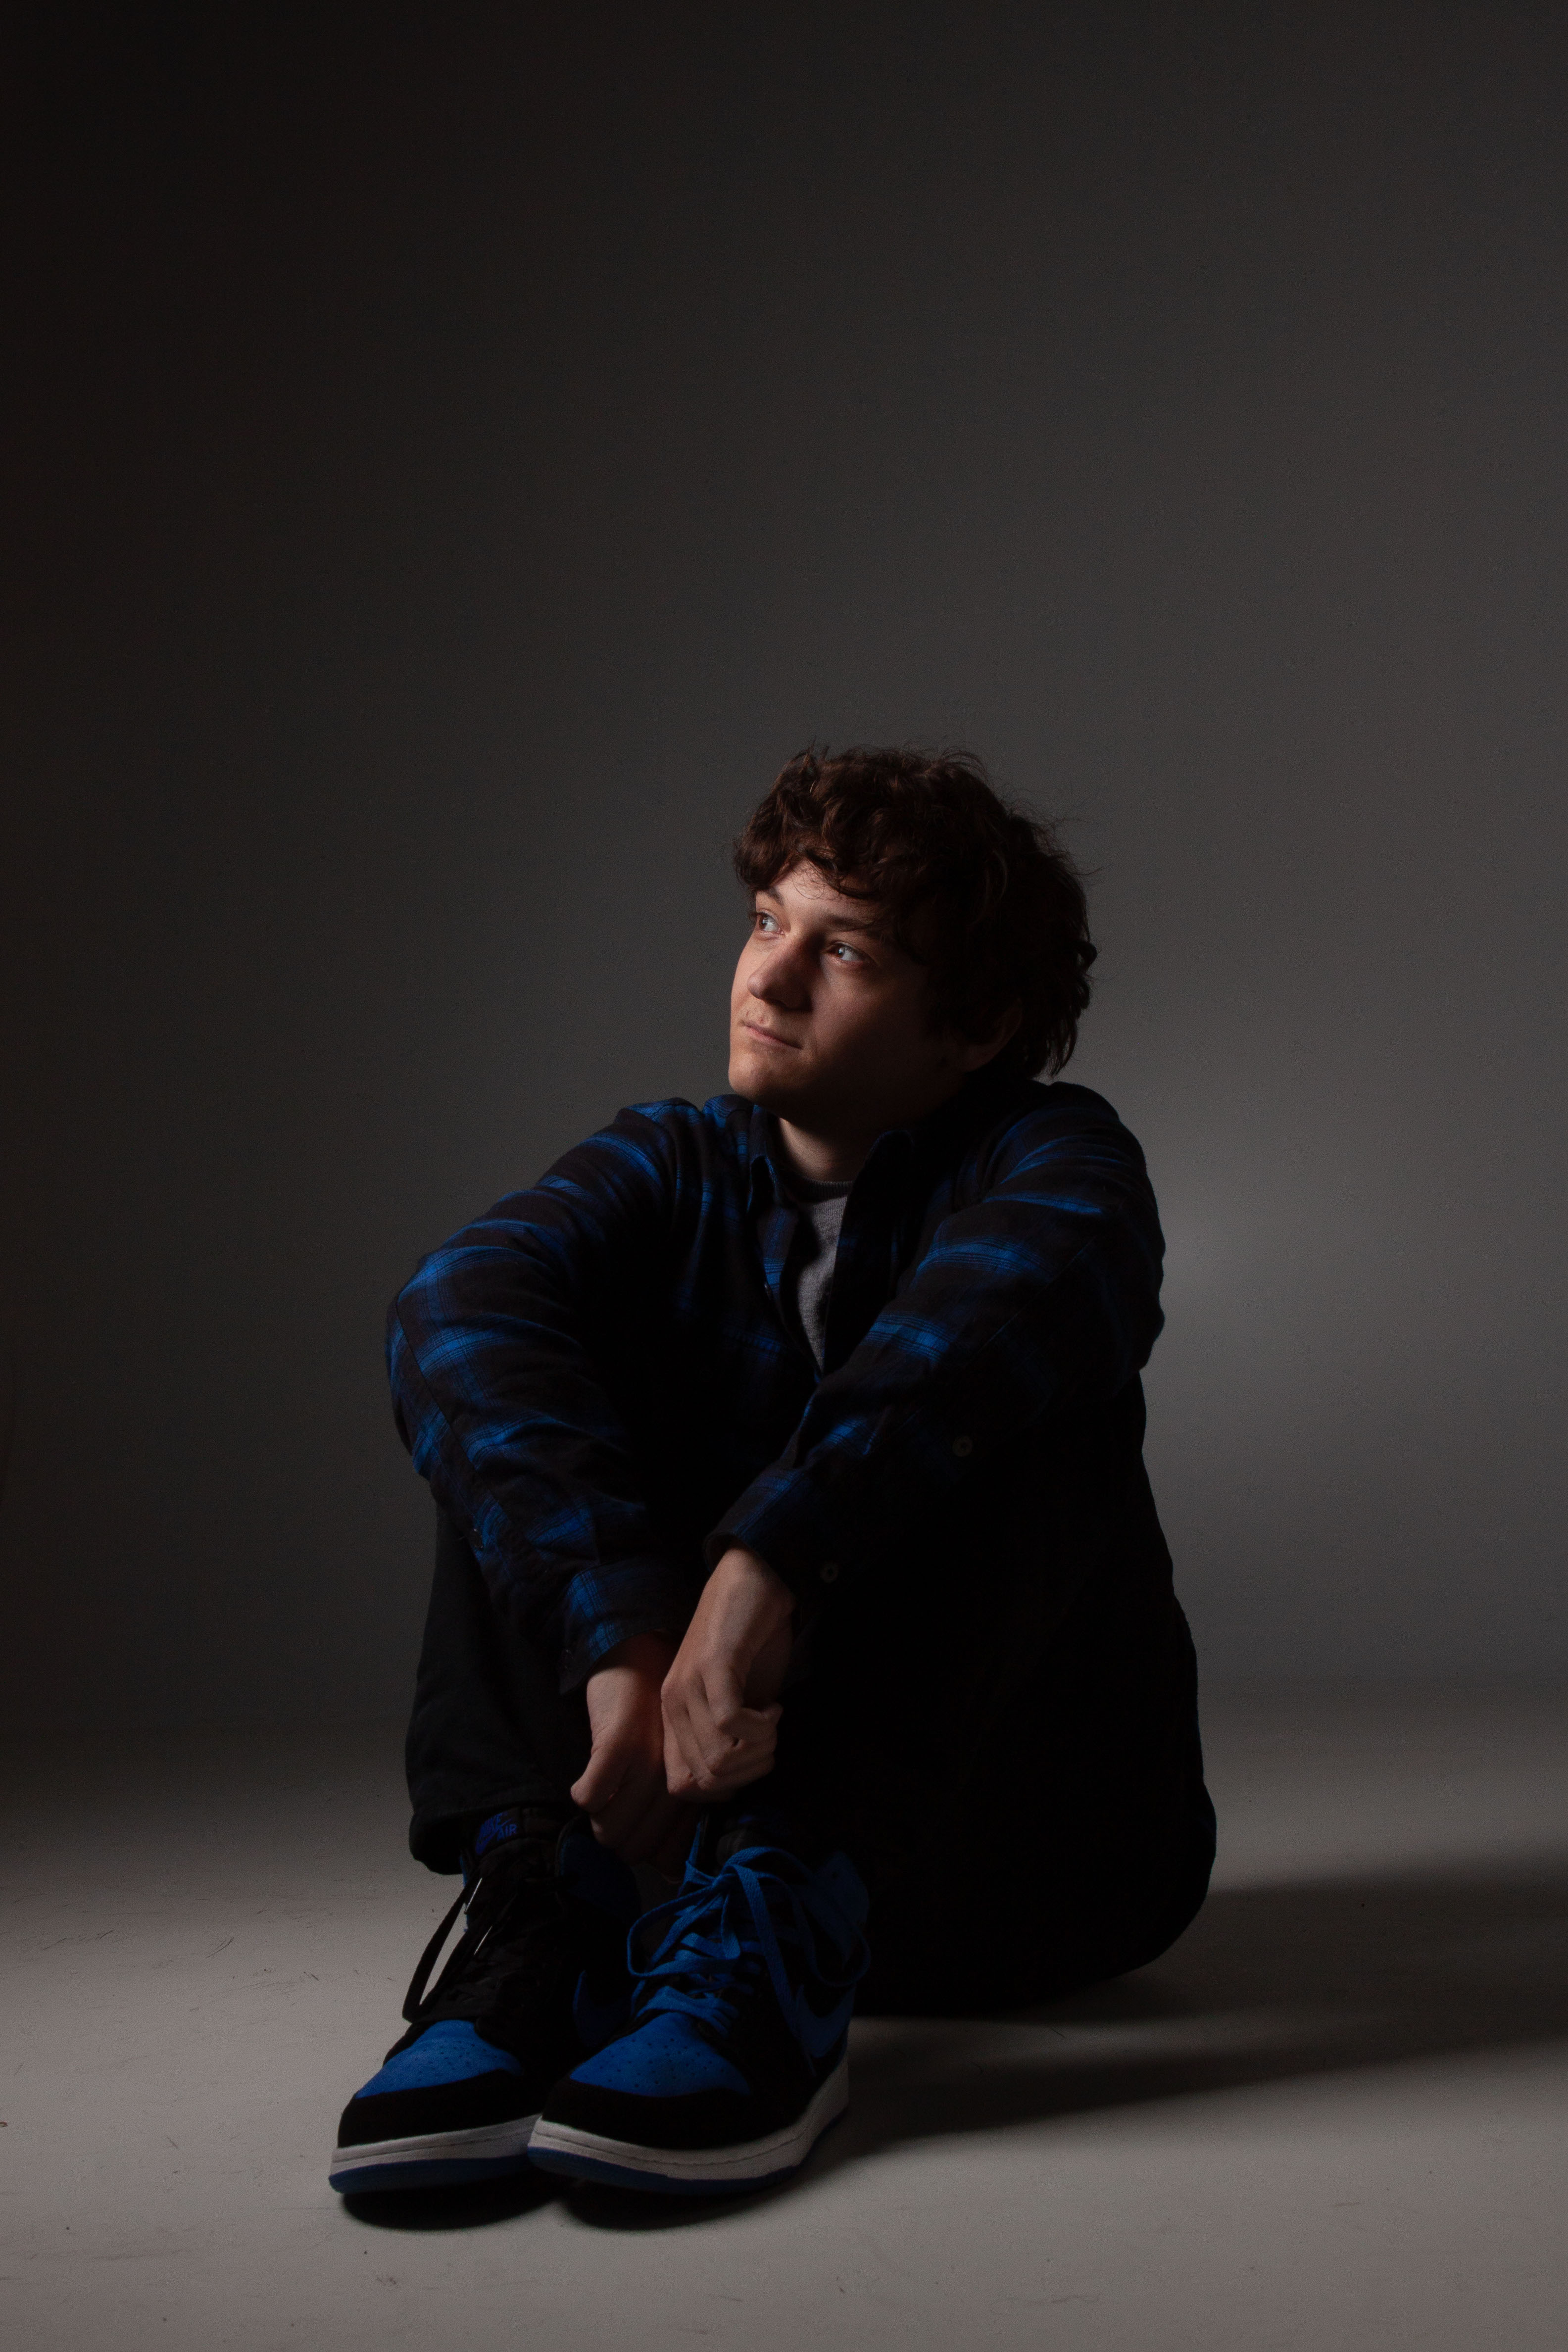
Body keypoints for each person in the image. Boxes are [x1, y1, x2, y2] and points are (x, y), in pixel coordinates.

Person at [328, 745, 1215, 2201]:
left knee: (1010, 1370)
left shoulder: (1053, 1157)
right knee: (512, 1382)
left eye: (844, 948)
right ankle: (551, 1912)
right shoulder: (669, 1163)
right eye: (766, 921)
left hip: (1023, 1858)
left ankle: (789, 1927)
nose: (772, 974)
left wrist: (770, 1563)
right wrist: (616, 1631)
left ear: (977, 1022)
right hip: (668, 1830)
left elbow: (1023, 1292)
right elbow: (457, 1304)